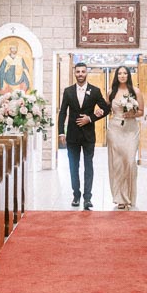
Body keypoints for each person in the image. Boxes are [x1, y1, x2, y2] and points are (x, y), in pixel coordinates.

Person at [56, 62, 109, 210]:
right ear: (75, 73)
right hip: (72, 135)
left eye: (83, 72)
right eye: (78, 72)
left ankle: (87, 198)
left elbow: (106, 109)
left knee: (88, 166)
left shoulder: (95, 91)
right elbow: (62, 113)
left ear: (87, 73)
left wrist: (90, 118)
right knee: (73, 166)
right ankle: (76, 195)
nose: (80, 74)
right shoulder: (68, 91)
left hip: (88, 136)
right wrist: (61, 132)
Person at [106, 66, 144, 210]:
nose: (122, 75)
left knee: (129, 161)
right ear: (116, 76)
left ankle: (130, 196)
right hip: (115, 129)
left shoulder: (136, 91)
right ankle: (120, 198)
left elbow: (141, 111)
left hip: (130, 129)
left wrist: (132, 114)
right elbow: (106, 109)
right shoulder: (111, 92)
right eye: (120, 73)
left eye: (125, 73)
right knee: (117, 163)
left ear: (128, 75)